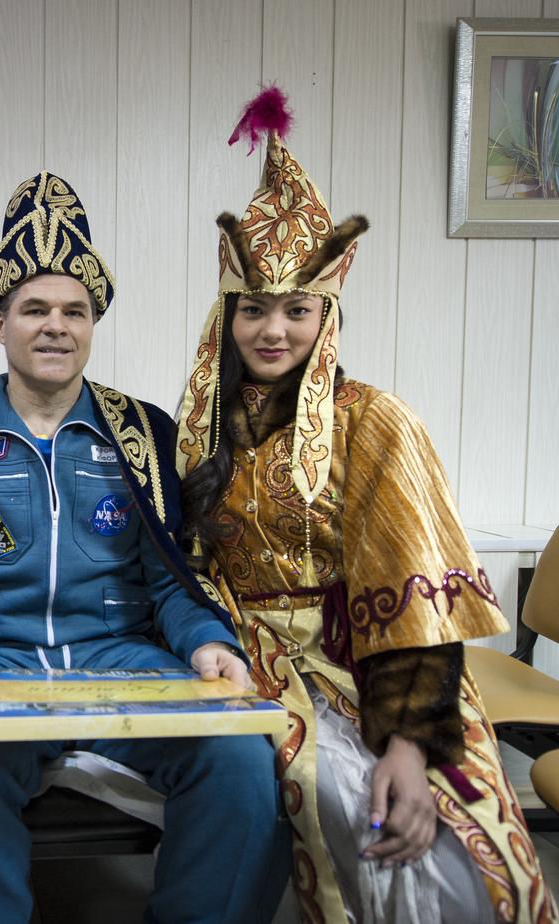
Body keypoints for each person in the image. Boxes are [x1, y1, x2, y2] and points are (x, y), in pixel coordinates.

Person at [176, 87, 557, 923]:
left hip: (370, 664)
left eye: (297, 309)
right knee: (310, 794)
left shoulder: (374, 423)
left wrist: (412, 746)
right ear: (226, 313)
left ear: (327, 312)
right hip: (248, 664)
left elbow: (415, 596)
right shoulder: (197, 432)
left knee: (437, 845)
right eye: (254, 309)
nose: (273, 330)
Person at [0, 171, 289, 924]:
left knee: (242, 764)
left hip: (121, 658)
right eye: (34, 309)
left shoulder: (145, 437)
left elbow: (173, 580)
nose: (55, 327)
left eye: (74, 311)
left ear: (93, 322)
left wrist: (206, 644)